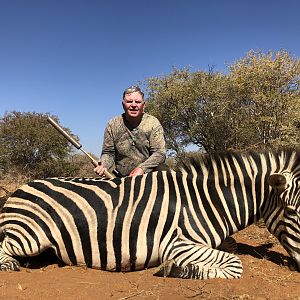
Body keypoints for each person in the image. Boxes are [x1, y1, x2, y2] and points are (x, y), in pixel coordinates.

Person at [94, 86, 166, 178]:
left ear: (144, 105)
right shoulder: (113, 124)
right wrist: (103, 165)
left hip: (149, 177)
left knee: (166, 172)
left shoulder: (153, 123)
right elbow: (108, 153)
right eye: (129, 102)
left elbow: (159, 153)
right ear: (123, 104)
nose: (133, 105)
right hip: (122, 178)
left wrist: (142, 169)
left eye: (138, 102)